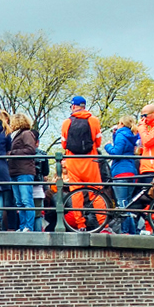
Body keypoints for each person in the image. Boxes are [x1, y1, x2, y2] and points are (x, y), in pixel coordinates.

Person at [60, 96, 103, 230]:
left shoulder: (67, 122)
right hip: (90, 161)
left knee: (76, 193)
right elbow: (98, 142)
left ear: (73, 106)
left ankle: (80, 225)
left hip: (73, 162)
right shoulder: (94, 120)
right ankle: (103, 223)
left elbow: (64, 144)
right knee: (96, 193)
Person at [106, 115, 141, 234]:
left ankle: (125, 231)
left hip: (121, 172)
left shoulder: (121, 135)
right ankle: (132, 231)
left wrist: (108, 146)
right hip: (131, 171)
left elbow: (116, 152)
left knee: (122, 203)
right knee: (127, 203)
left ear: (122, 124)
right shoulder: (132, 135)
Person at [8, 113, 40, 232]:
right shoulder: (16, 136)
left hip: (24, 171)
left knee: (26, 200)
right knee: (19, 202)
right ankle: (23, 226)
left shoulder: (26, 134)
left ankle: (28, 226)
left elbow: (31, 150)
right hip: (15, 171)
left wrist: (12, 153)